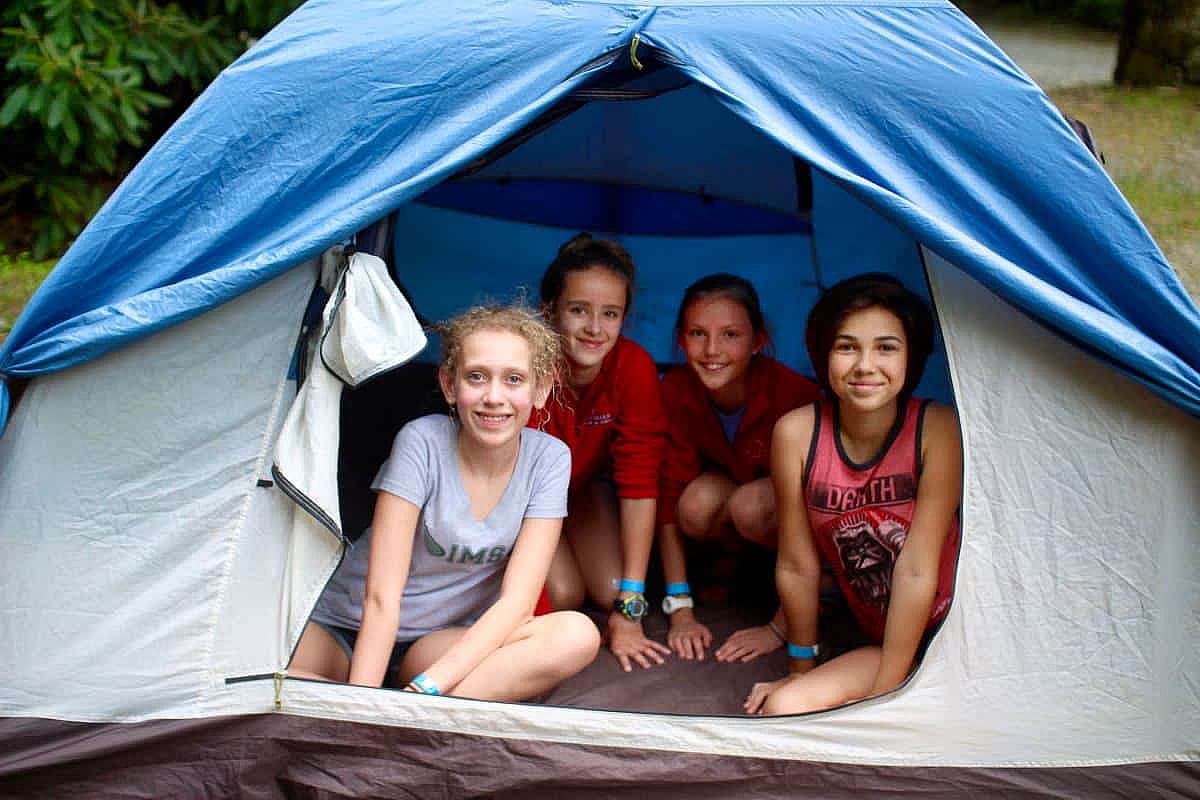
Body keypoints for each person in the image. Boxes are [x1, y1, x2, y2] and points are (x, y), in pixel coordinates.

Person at [288, 305, 600, 700]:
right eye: (476, 377)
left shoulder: (549, 459)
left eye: (514, 379)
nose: (494, 397)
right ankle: (392, 711)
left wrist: (430, 685)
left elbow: (517, 604)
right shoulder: (422, 442)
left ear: (540, 390)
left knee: (576, 634)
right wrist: (362, 700)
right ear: (450, 386)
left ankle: (412, 708)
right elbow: (381, 595)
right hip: (348, 626)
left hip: (437, 644)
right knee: (252, 660)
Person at [745, 274, 961, 715]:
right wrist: (800, 668)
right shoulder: (797, 434)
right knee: (784, 708)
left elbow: (918, 569)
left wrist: (885, 695)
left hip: (956, 632)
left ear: (912, 356)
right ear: (823, 354)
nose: (865, 365)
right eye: (847, 347)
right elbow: (797, 563)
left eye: (886, 348)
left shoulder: (937, 429)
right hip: (879, 640)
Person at [656, 274, 820, 662]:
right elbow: (666, 501)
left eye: (730, 335)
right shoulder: (675, 391)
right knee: (695, 504)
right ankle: (734, 571)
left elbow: (823, 508)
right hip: (733, 508)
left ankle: (816, 592)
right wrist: (680, 609)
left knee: (749, 505)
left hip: (798, 530)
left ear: (757, 341)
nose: (712, 350)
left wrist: (783, 626)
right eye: (698, 333)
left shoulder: (795, 395)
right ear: (680, 340)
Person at [536, 233, 671, 672]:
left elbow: (639, 482)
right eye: (579, 310)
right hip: (521, 503)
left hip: (583, 491)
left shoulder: (633, 366)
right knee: (563, 594)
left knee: (612, 588)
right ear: (549, 311)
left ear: (623, 318)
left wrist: (631, 606)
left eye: (609, 314)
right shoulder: (527, 363)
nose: (595, 328)